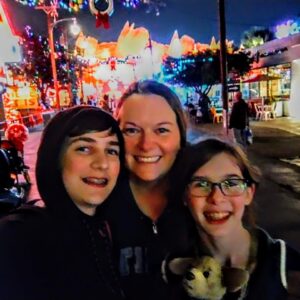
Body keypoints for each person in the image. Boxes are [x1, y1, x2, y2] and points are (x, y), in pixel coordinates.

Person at [0, 106, 126, 300]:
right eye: (84, 148)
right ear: (55, 157)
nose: (102, 163)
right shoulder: (20, 236)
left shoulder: (107, 230)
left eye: (111, 150)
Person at [165, 138, 300, 299]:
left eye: (231, 183)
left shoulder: (286, 268)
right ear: (184, 197)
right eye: (201, 184)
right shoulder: (172, 270)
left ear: (249, 193)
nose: (216, 198)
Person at [103, 80, 191, 300]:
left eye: (161, 130)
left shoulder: (205, 197)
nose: (146, 144)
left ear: (180, 135)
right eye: (131, 130)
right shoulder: (96, 203)